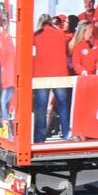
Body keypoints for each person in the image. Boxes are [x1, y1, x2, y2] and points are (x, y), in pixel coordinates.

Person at [31, 14, 72, 143]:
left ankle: (39, 138)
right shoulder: (60, 34)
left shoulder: (35, 35)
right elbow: (66, 48)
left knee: (41, 107)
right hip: (59, 74)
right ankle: (66, 134)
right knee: (63, 105)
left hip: (41, 76)